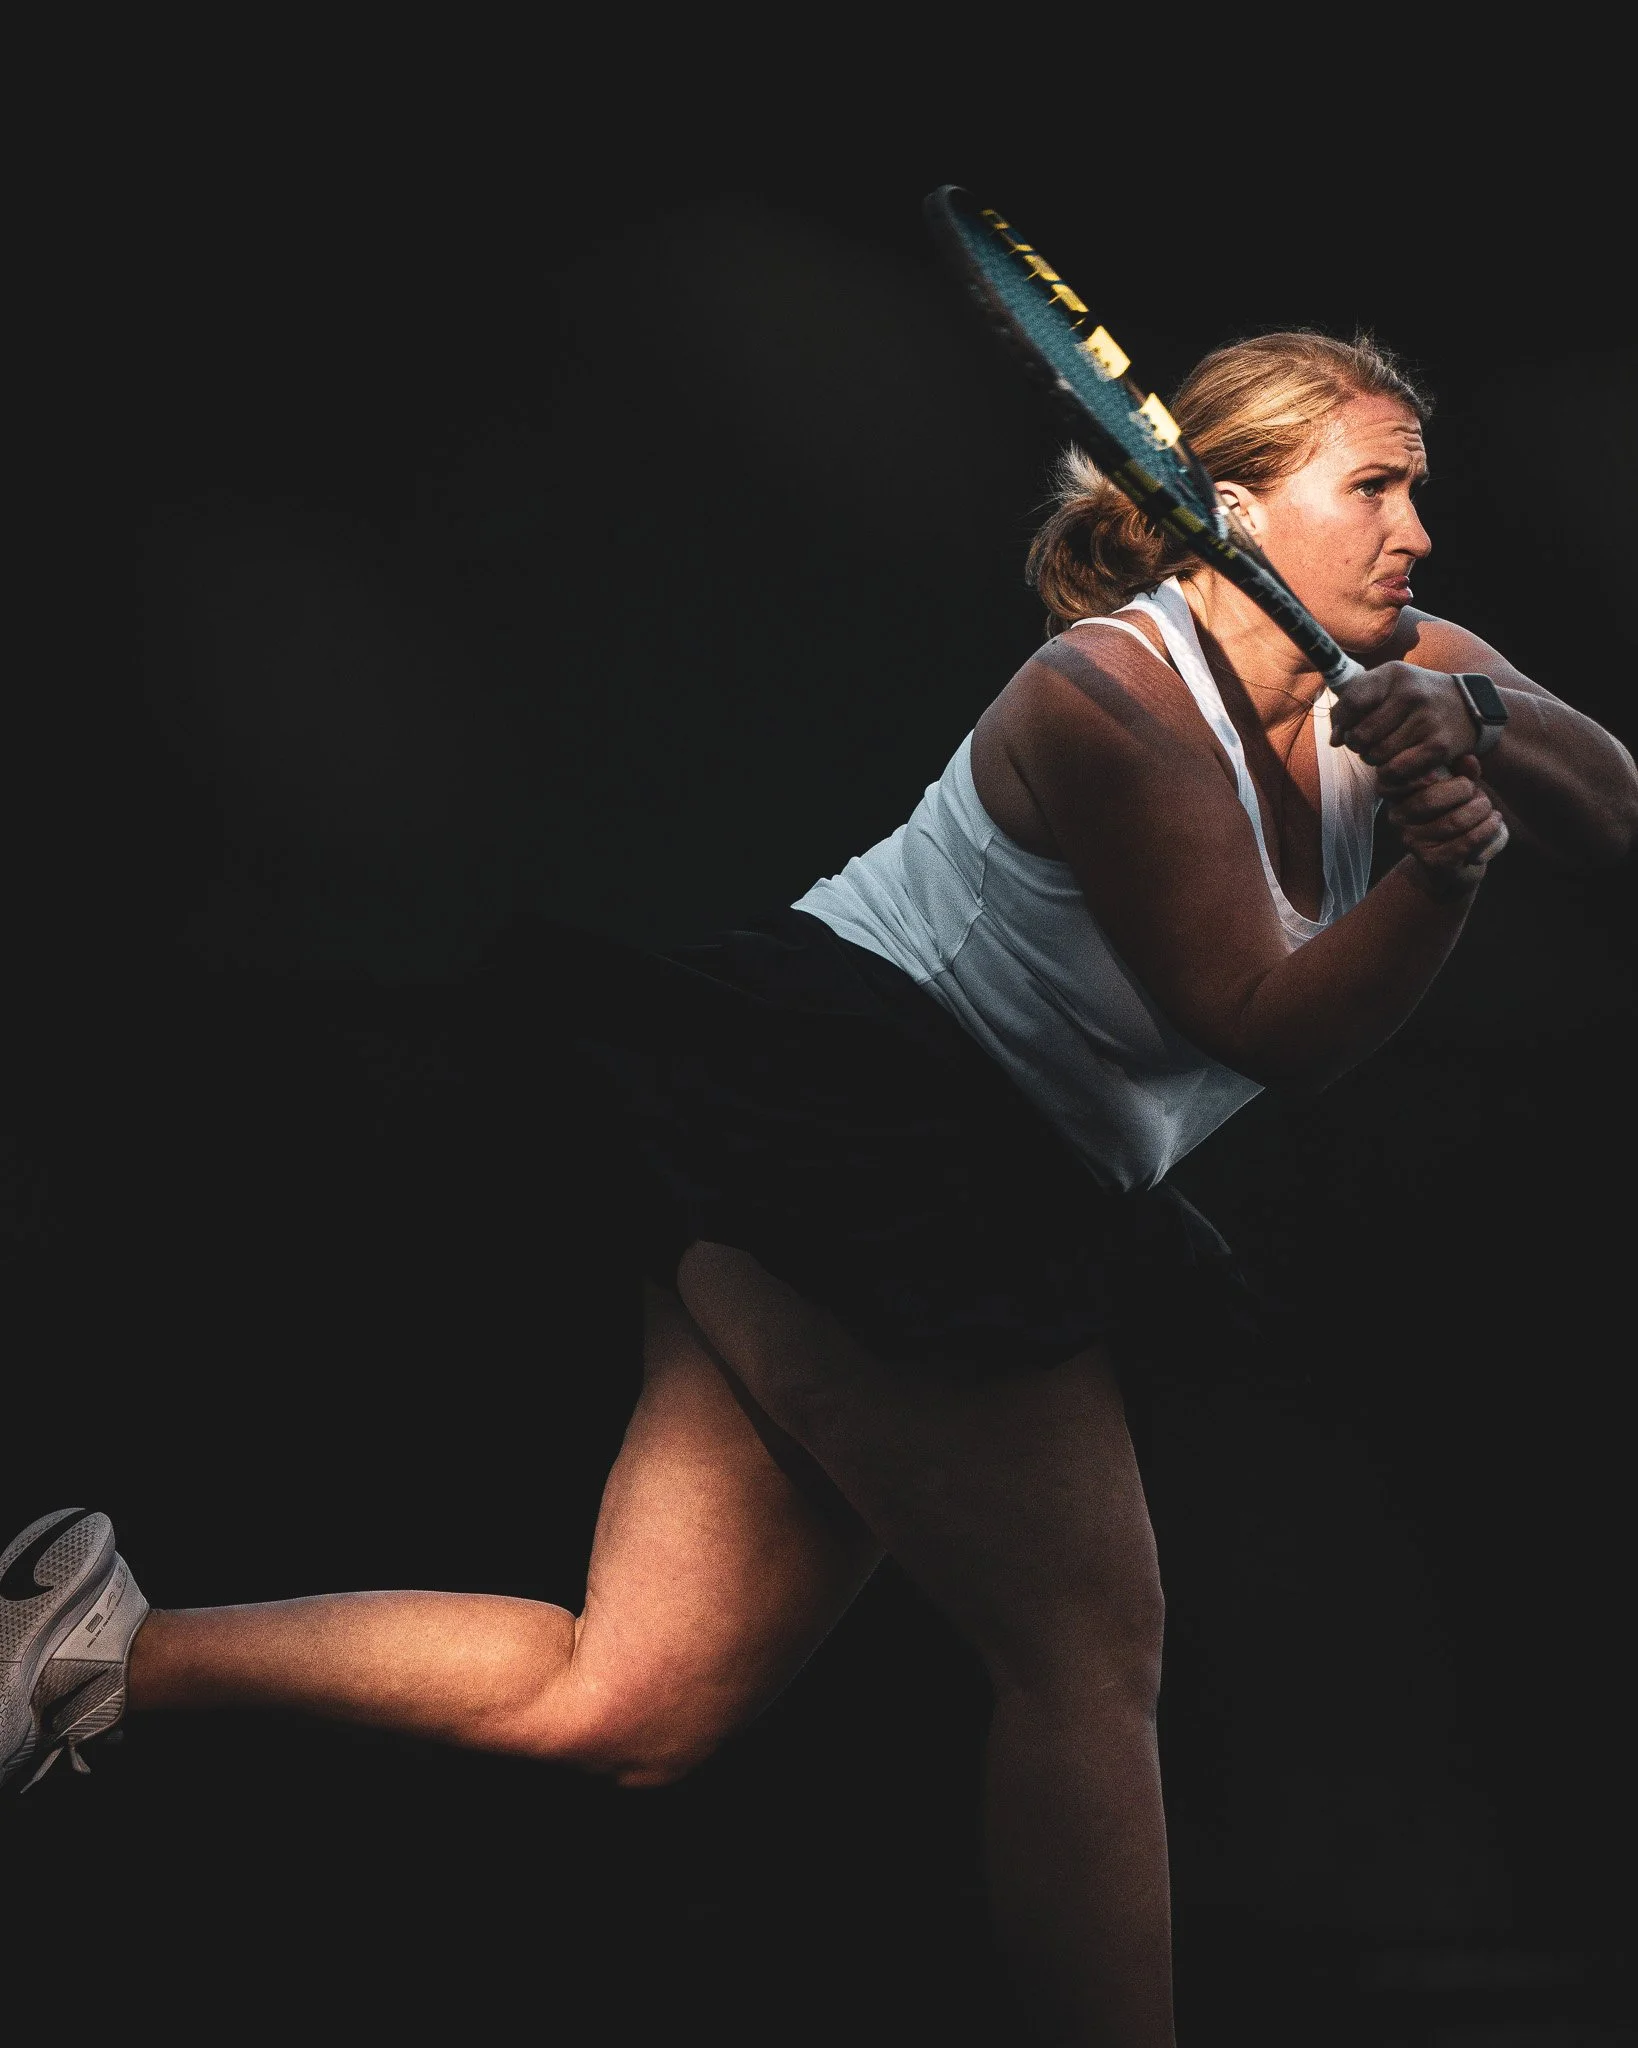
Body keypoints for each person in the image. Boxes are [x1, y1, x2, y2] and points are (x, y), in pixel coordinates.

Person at [5, 330, 1635, 2045]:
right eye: (1372, 487)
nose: (1415, 533)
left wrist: (1465, 716)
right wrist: (1438, 881)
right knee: (1086, 1663)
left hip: (924, 1156)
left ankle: (94, 1644)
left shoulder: (1407, 657)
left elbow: (1611, 806)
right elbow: (1261, 1025)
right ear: (1230, 507)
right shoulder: (1100, 704)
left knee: (622, 1701)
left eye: (1415, 490)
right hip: (862, 1127)